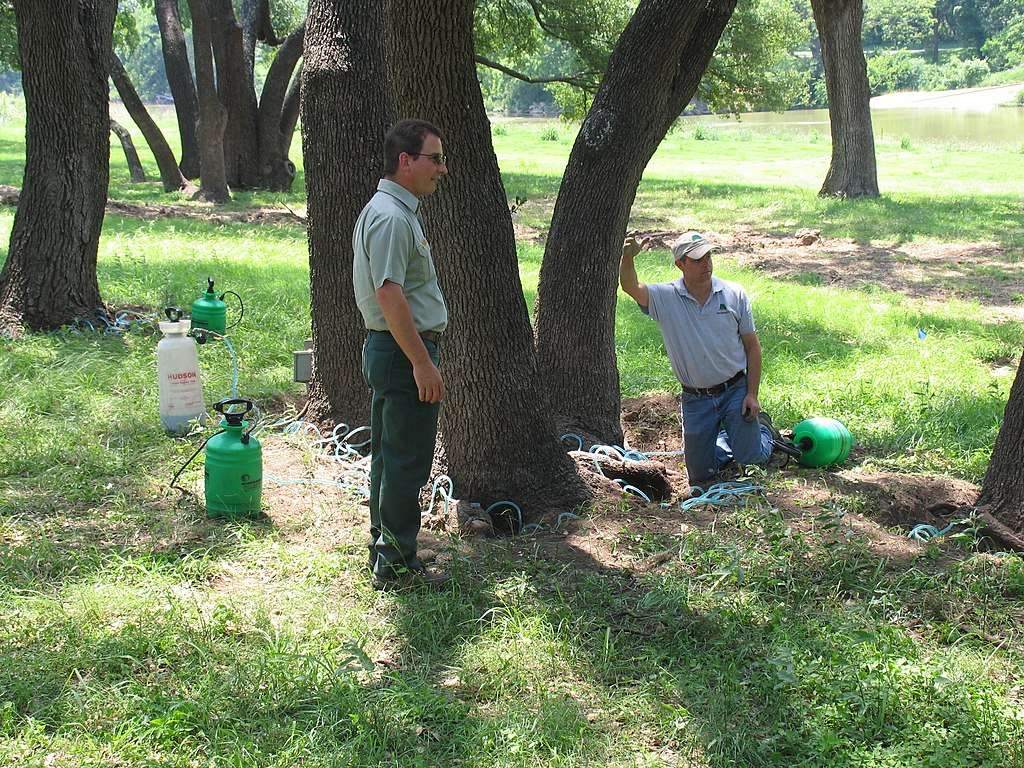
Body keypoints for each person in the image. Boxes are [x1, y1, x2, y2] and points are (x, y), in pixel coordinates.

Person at [352, 118, 450, 589]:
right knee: (406, 457)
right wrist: (421, 362)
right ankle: (394, 562)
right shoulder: (391, 216)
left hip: (392, 349)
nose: (442, 168)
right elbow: (389, 294)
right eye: (434, 158)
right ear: (405, 161)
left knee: (391, 457)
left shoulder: (394, 210)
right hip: (399, 351)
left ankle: (386, 547)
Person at [618, 231, 778, 484]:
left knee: (751, 459)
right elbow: (630, 286)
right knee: (701, 475)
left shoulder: (733, 294)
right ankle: (728, 439)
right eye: (697, 259)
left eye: (708, 256)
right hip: (696, 399)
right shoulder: (665, 297)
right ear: (680, 264)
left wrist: (752, 394)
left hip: (735, 389)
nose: (706, 264)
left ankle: (764, 432)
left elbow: (752, 347)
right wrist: (628, 257)